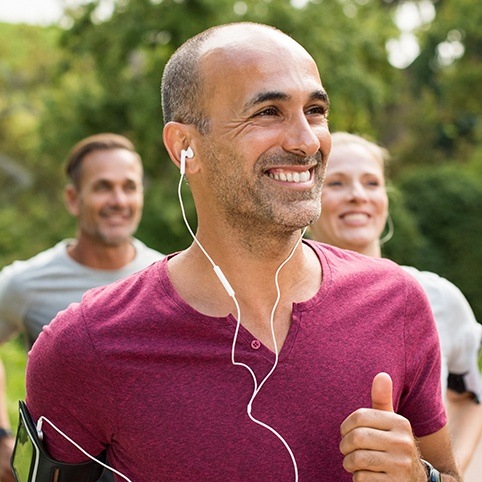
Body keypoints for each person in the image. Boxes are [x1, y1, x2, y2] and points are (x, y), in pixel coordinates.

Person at [24, 23, 461, 481]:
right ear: (184, 146)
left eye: (315, 110)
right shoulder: (85, 346)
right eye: (268, 112)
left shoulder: (397, 301)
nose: (307, 141)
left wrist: (421, 477)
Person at [310, 131, 482, 473]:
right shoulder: (276, 304)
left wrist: (442, 474)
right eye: (337, 183)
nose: (358, 196)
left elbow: (470, 400)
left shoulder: (439, 297)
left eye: (371, 183)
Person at [0, 133, 164, 482]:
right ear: (74, 199)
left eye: (129, 187)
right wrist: (1, 438)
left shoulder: (166, 278)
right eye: (103, 187)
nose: (119, 200)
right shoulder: (26, 283)